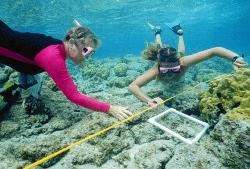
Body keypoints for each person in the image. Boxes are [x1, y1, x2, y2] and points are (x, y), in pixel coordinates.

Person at [0, 19, 132, 120]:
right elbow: (74, 96)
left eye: (91, 53)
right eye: (87, 52)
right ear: (73, 44)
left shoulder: (57, 48)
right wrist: (110, 108)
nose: (87, 57)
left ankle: (27, 86)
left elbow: (27, 59)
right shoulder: (53, 57)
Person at [128, 22, 248, 107]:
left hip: (180, 58)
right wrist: (149, 101)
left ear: (178, 63)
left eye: (174, 68)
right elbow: (133, 86)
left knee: (182, 53)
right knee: (158, 49)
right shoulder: (156, 68)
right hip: (162, 58)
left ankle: (180, 34)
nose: (169, 72)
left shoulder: (183, 61)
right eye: (164, 69)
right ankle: (157, 32)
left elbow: (215, 50)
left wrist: (235, 58)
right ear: (159, 65)